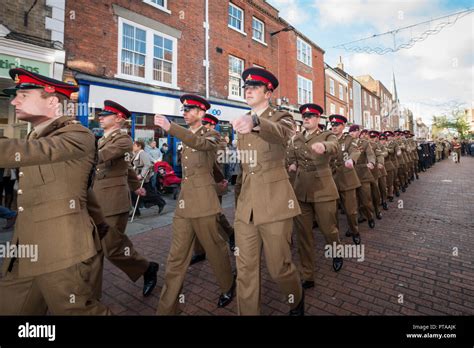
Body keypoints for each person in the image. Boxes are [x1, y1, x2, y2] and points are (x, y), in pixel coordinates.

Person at [0, 68, 111, 314]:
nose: (14, 101)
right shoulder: (34, 137)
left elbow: (37, 152)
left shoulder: (77, 135)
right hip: (24, 249)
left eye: (23, 95)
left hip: (61, 250)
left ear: (52, 100)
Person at [230, 67, 303, 315]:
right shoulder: (242, 120)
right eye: (246, 88)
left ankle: (296, 299)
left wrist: (256, 122)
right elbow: (244, 168)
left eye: (254, 87)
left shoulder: (282, 117)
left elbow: (282, 134)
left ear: (268, 93)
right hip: (246, 206)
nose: (248, 91)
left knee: (279, 268)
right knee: (246, 269)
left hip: (274, 203)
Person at [154, 94, 235, 315]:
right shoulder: (186, 136)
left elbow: (203, 148)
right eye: (183, 109)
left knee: (215, 248)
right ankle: (167, 308)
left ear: (201, 113)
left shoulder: (212, 134)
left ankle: (228, 285)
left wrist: (171, 127)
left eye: (189, 109)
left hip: (204, 202)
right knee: (176, 257)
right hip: (185, 202)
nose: (185, 113)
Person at [91, 100, 159, 298]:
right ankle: (90, 297)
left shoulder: (123, 140)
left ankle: (147, 268)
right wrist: (136, 186)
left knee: (112, 247)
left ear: (119, 119)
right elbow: (127, 166)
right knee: (93, 249)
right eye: (100, 115)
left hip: (113, 201)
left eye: (105, 115)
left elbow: (99, 157)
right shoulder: (102, 138)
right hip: (95, 201)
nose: (100, 117)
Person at [287, 104, 343, 289]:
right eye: (304, 116)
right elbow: (291, 157)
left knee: (329, 229)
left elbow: (335, 147)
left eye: (311, 116)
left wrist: (324, 146)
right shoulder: (296, 138)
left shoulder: (327, 135)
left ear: (318, 118)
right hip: (301, 191)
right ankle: (307, 274)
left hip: (323, 189)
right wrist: (292, 164)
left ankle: (336, 251)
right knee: (304, 234)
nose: (307, 118)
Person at [190, 113, 236, 265]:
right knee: (195, 217)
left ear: (210, 125)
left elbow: (221, 160)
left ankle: (230, 234)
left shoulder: (216, 138)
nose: (202, 126)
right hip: (195, 183)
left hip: (213, 182)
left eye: (205, 124)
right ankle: (200, 251)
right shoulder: (195, 136)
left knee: (215, 215)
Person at [329, 115, 362, 245]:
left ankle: (355, 231)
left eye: (337, 125)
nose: (334, 127)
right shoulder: (327, 138)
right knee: (332, 212)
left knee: (350, 210)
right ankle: (334, 237)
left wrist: (351, 159)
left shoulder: (349, 139)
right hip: (331, 179)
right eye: (332, 125)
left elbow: (355, 150)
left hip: (347, 178)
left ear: (343, 126)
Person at [131, 140, 166, 216]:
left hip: (143, 178)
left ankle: (161, 202)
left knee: (147, 194)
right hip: (137, 177)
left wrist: (141, 175)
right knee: (133, 194)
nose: (133, 146)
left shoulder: (143, 154)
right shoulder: (136, 154)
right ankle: (136, 211)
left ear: (139, 146)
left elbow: (147, 165)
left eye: (134, 145)